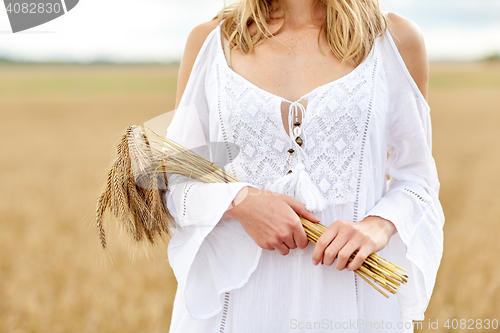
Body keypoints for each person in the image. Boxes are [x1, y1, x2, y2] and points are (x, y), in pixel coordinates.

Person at [164, 0, 444, 332]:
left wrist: (377, 225)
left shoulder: (393, 39)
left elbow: (417, 177)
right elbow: (174, 182)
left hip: (354, 304)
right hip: (237, 311)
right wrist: (240, 202)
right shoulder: (212, 41)